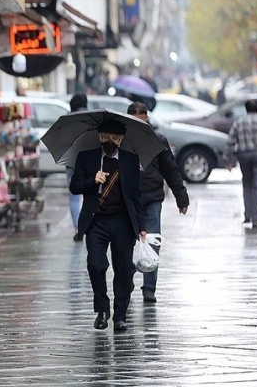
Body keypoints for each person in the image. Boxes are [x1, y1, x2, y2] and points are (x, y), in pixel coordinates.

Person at [69, 119, 146, 332]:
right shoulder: (86, 158)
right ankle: (102, 309)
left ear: (121, 140)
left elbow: (136, 195)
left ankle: (120, 315)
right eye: (105, 137)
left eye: (114, 138)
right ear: (99, 137)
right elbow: (74, 187)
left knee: (123, 269)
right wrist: (91, 180)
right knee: (96, 264)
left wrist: (141, 224)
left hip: (122, 221)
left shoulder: (131, 160)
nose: (110, 142)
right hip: (96, 221)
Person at [128, 102, 189, 303]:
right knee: (124, 245)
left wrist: (181, 197)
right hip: (127, 201)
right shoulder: (122, 141)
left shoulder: (157, 140)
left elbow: (170, 170)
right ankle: (126, 280)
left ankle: (149, 288)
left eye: (142, 119)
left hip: (152, 198)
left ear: (147, 119)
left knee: (152, 243)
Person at [226, 99, 257, 229]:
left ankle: (247, 215)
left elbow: (230, 141)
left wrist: (229, 160)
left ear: (246, 108)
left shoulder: (239, 122)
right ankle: (256, 218)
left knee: (247, 184)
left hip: (243, 156)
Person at [67, 93, 88, 241]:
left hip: (71, 162)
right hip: (88, 161)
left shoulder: (67, 121)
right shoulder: (90, 118)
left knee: (74, 198)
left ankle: (78, 228)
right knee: (90, 195)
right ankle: (87, 225)